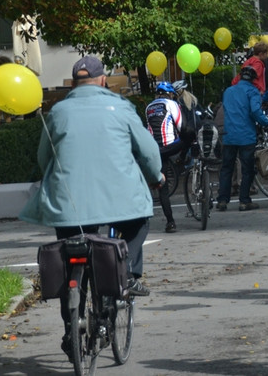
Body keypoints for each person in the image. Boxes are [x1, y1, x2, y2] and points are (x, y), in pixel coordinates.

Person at [19, 55, 162, 358]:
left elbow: (44, 158)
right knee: (138, 222)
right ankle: (130, 277)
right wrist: (156, 176)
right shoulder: (121, 107)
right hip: (121, 201)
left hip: (68, 203)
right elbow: (148, 153)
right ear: (102, 81)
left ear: (73, 83)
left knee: (71, 251)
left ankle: (72, 326)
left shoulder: (58, 111)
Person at [218, 66, 268, 211]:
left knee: (226, 168)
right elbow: (255, 111)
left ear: (240, 77)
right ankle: (244, 201)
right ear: (254, 79)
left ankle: (222, 200)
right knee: (247, 169)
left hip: (229, 134)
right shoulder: (252, 91)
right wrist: (267, 122)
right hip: (246, 136)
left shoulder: (228, 91)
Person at [145, 82, 191, 233]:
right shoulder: (171, 104)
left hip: (156, 150)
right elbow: (181, 126)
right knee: (189, 135)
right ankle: (182, 160)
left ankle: (170, 223)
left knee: (163, 189)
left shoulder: (148, 108)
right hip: (171, 146)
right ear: (170, 94)